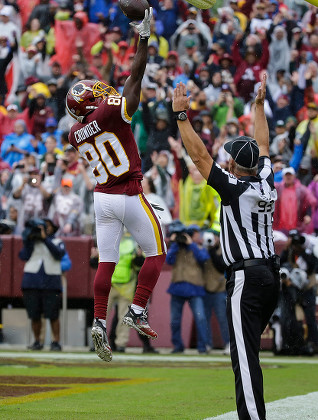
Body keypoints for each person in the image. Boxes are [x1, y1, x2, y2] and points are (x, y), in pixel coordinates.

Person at [172, 76, 280, 420]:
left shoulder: (235, 188)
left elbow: (200, 157)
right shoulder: (265, 178)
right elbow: (263, 146)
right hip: (269, 277)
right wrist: (259, 107)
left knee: (244, 359)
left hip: (246, 278)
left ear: (232, 164)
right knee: (249, 354)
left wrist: (182, 117)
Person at [66, 9, 166, 363]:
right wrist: (143, 37)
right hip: (127, 192)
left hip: (101, 199)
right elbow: (134, 78)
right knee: (156, 253)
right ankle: (137, 310)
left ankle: (98, 320)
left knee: (105, 263)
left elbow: (98, 112)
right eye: (94, 93)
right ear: (90, 103)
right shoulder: (108, 111)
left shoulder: (75, 132)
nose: (99, 92)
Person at [19, 217, 65, 351]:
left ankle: (55, 341)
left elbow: (58, 254)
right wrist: (28, 239)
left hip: (51, 282)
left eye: (47, 226)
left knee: (53, 314)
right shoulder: (31, 242)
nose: (45, 229)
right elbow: (24, 256)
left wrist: (45, 239)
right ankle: (37, 341)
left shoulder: (57, 241)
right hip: (32, 281)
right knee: (34, 314)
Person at [166, 223, 210, 354]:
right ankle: (177, 346)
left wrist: (191, 244)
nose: (199, 236)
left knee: (200, 318)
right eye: (197, 234)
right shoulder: (176, 247)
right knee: (175, 319)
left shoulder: (198, 247)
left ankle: (203, 347)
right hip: (178, 287)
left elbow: (203, 259)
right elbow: (168, 260)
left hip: (195, 288)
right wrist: (174, 243)